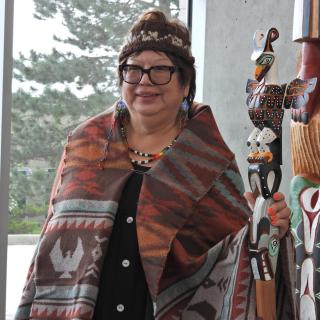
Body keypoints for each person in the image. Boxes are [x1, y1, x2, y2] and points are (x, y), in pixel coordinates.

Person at [15, 9, 294, 320]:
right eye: (133, 70)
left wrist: (266, 225)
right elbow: (52, 240)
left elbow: (234, 255)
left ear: (186, 84)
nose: (144, 81)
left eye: (161, 70)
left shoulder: (210, 160)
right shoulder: (84, 144)